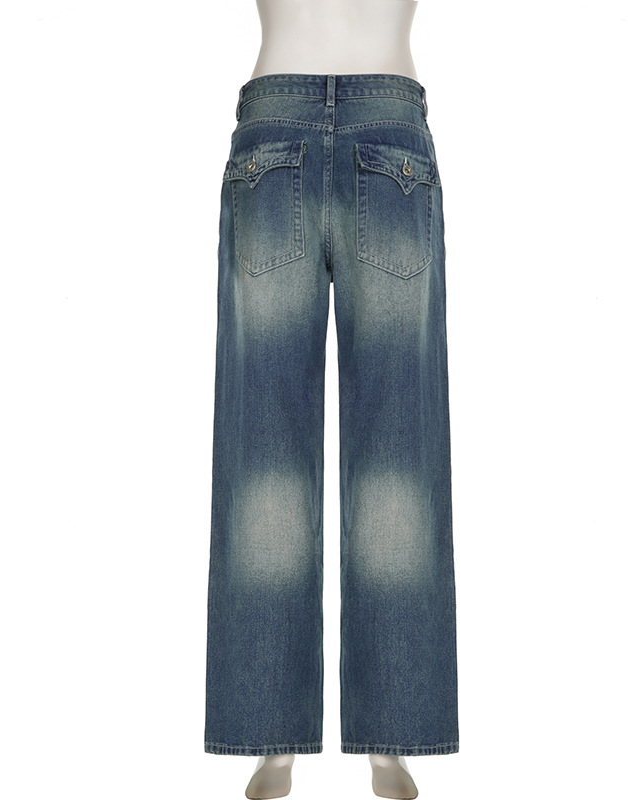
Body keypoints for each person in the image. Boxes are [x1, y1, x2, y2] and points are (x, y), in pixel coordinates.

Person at [205, 2, 458, 797]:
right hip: (390, 134)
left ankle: (272, 743)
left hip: (272, 135)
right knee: (396, 452)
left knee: (265, 453)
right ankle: (390, 741)